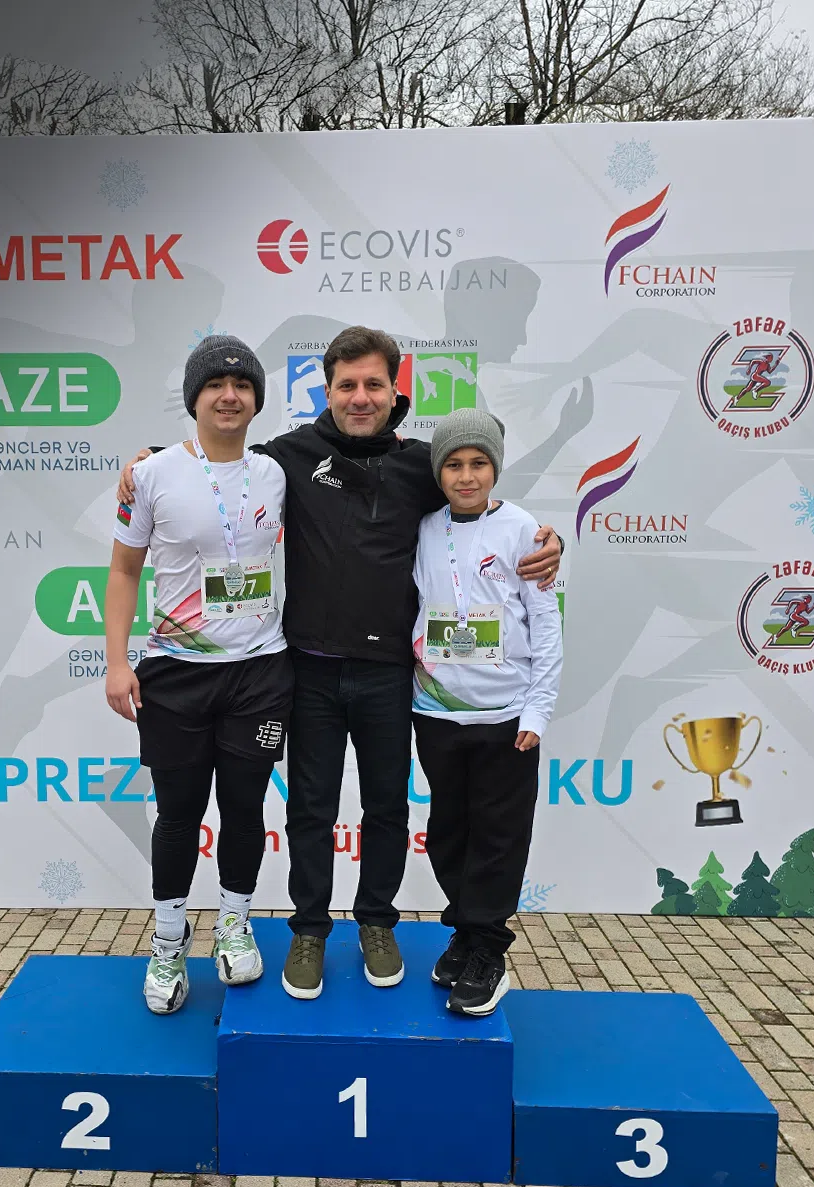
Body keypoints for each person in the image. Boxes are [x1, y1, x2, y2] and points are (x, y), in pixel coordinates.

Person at [118, 325, 562, 1000]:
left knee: (386, 809)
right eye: (347, 385)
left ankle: (376, 925)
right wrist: (150, 459)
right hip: (309, 670)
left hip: (389, 676)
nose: (360, 397)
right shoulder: (289, 456)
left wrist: (548, 543)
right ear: (326, 391)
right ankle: (309, 931)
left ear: (394, 391)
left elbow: (483, 508)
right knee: (311, 810)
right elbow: (217, 462)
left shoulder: (423, 467)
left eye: (373, 384)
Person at [104, 335, 292, 1014]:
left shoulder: (279, 472)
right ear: (194, 398)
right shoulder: (151, 475)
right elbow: (123, 571)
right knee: (178, 815)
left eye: (242, 386)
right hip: (176, 674)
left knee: (244, 809)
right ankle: (168, 939)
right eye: (215, 385)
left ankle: (235, 925)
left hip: (259, 673)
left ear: (256, 401)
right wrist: (117, 662)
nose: (229, 396)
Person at [412, 408, 562, 1015]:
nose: (466, 476)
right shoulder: (423, 528)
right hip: (436, 712)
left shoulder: (524, 530)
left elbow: (545, 624)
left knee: (499, 838)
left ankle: (488, 951)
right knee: (449, 834)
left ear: (495, 468)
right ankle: (466, 932)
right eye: (453, 464)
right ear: (438, 472)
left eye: (478, 463)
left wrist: (537, 712)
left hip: (506, 718)